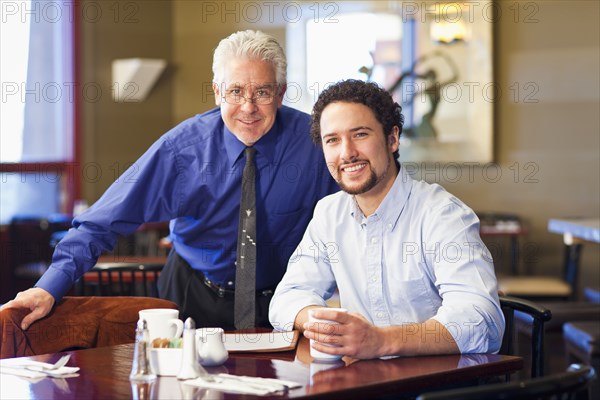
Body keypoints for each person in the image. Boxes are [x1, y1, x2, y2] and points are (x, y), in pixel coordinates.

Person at [1, 30, 338, 331]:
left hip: (281, 301)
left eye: (262, 92)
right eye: (235, 91)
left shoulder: (316, 144)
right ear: (218, 92)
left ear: (280, 93)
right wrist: (48, 287)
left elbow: (355, 217)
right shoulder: (181, 150)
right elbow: (101, 222)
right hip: (191, 295)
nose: (247, 107)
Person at [269, 79, 504, 359]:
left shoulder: (443, 214)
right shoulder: (328, 214)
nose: (346, 153)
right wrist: (329, 326)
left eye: (360, 134)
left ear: (392, 138)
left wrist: (381, 341)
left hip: (438, 385)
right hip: (364, 381)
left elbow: (481, 319)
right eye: (332, 140)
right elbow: (287, 297)